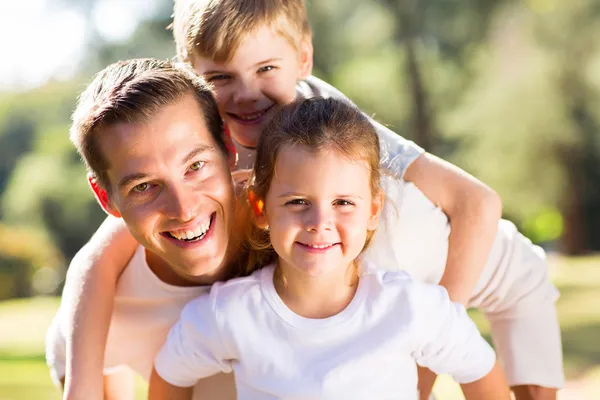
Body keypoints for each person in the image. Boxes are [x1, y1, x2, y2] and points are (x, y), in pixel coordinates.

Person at [55, 1, 563, 399]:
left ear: (303, 59)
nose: (247, 95)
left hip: (495, 268)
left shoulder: (340, 144)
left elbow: (476, 204)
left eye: (265, 70)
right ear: (195, 75)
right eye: (221, 78)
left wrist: (427, 353)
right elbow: (101, 253)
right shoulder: (214, 149)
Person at [148, 97, 511, 400]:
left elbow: (481, 371)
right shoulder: (230, 315)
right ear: (261, 209)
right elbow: (170, 374)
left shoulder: (411, 307)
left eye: (343, 203)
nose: (319, 222)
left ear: (372, 211)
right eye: (297, 202)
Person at [46, 58, 241, 400]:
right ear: (106, 198)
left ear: (228, 147)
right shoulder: (107, 289)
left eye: (195, 166)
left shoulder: (291, 217)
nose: (183, 210)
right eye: (144, 186)